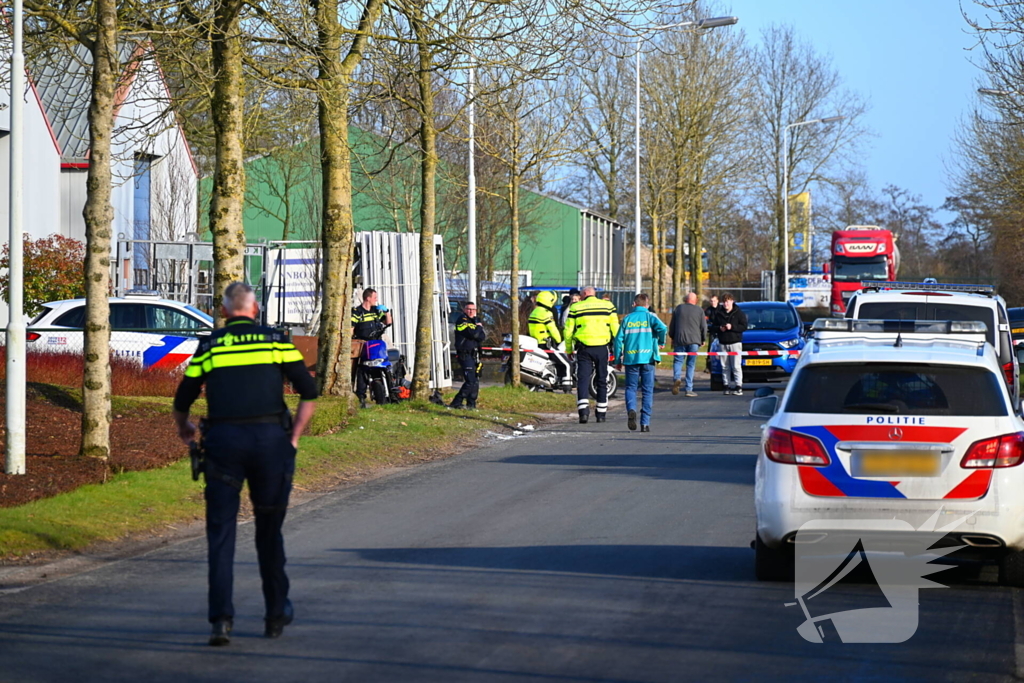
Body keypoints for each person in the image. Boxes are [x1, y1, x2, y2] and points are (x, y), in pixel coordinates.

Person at [172, 282, 318, 646]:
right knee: (269, 531)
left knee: (221, 535)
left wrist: (184, 427)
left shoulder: (211, 345)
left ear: (224, 312)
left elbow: (183, 397)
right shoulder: (275, 341)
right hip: (270, 443)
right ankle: (275, 614)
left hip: (223, 444)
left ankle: (220, 620)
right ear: (254, 310)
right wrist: (295, 436)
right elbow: (309, 391)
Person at [564, 285, 619, 423]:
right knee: (602, 379)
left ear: (584, 293)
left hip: (584, 348)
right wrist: (618, 349)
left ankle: (583, 413)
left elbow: (568, 330)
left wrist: (569, 349)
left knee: (583, 379)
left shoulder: (576, 307)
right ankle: (601, 414)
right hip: (602, 348)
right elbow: (616, 329)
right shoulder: (608, 306)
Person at [613, 292, 667, 433]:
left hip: (631, 359)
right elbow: (663, 328)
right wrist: (661, 341)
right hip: (648, 358)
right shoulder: (651, 317)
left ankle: (631, 409)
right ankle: (645, 423)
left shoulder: (627, 319)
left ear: (634, 304)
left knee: (631, 388)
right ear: (647, 305)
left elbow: (618, 340)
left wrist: (618, 360)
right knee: (647, 390)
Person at [351, 288, 392, 408]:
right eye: (375, 297)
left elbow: (388, 322)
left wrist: (387, 312)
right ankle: (361, 396)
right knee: (363, 370)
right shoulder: (357, 312)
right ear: (368, 298)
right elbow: (351, 329)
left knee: (380, 367)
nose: (377, 300)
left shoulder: (376, 311)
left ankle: (386, 394)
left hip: (377, 344)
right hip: (363, 345)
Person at [528, 290, 572, 388]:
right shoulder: (546, 313)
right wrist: (559, 340)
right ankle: (567, 386)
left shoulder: (534, 312)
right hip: (546, 344)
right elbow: (553, 329)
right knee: (567, 364)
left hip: (536, 343)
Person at [668, 292, 707, 397]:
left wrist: (672, 336)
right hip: (694, 341)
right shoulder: (699, 310)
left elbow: (672, 325)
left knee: (678, 361)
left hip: (680, 339)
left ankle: (677, 378)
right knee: (691, 364)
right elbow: (703, 326)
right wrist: (703, 339)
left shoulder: (678, 309)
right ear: (695, 300)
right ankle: (689, 389)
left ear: (686, 299)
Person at [450, 301, 486, 409]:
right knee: (470, 381)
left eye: (473, 309)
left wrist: (477, 329)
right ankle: (457, 402)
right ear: (464, 310)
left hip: (474, 354)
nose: (471, 311)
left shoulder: (475, 321)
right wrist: (478, 327)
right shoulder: (462, 320)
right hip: (464, 354)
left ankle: (471, 404)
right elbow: (473, 334)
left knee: (475, 381)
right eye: (468, 309)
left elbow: (481, 337)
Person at [713, 293, 748, 396]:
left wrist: (732, 327)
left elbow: (744, 327)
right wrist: (719, 328)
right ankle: (726, 386)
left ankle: (738, 386)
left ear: (732, 301)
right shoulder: (719, 314)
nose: (726, 304)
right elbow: (713, 327)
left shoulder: (739, 313)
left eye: (728, 301)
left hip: (735, 342)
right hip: (723, 343)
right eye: (724, 302)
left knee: (736, 366)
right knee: (725, 366)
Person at [703, 295, 720, 373]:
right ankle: (708, 366)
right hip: (713, 331)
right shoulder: (708, 310)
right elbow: (704, 320)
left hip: (720, 331)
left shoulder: (721, 309)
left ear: (717, 301)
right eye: (711, 301)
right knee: (710, 348)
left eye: (714, 301)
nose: (713, 302)